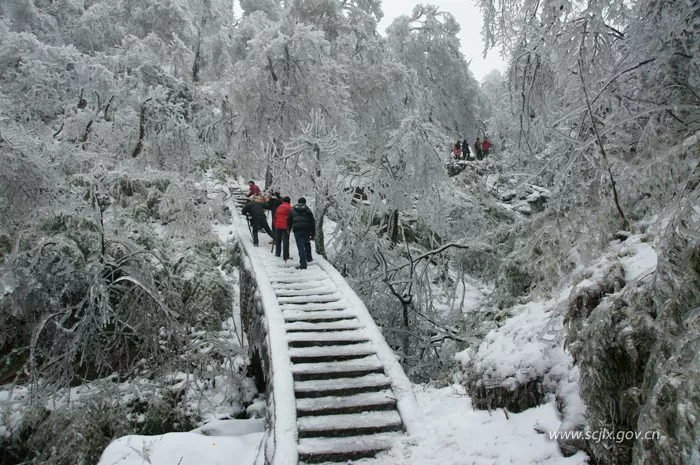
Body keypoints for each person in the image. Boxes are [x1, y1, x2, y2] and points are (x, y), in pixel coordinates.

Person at [287, 197, 315, 270]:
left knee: (300, 247)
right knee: (307, 243)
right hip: (306, 229)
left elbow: (289, 220)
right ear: (305, 203)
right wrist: (313, 233)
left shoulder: (292, 210)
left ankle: (303, 264)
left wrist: (288, 229)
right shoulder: (308, 210)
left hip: (297, 230)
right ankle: (309, 258)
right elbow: (312, 222)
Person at [273, 196, 293, 262]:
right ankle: (286, 255)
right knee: (285, 241)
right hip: (285, 226)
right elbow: (291, 217)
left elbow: (275, 216)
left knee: (278, 240)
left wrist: (274, 224)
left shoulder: (279, 207)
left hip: (278, 225)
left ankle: (277, 253)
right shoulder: (289, 208)